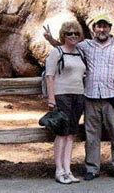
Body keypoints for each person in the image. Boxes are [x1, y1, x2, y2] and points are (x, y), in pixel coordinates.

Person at [44, 13, 114, 182]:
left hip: (113, 97)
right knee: (92, 136)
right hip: (90, 97)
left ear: (110, 28)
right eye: (98, 26)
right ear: (93, 29)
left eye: (105, 26)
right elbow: (66, 46)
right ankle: (92, 168)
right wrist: (51, 40)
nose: (102, 29)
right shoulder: (85, 46)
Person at [45, 21, 87, 184]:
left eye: (76, 33)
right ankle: (59, 170)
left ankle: (68, 170)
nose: (73, 36)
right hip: (62, 95)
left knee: (71, 134)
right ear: (63, 35)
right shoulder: (56, 52)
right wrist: (51, 98)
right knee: (62, 133)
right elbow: (50, 76)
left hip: (78, 95)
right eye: (69, 33)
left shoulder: (80, 53)